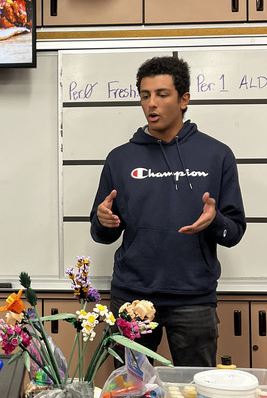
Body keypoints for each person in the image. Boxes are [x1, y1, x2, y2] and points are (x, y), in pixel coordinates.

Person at [90, 55, 246, 367]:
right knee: (129, 395)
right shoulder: (120, 158)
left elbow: (234, 232)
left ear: (184, 99)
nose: (152, 104)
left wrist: (214, 220)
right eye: (145, 96)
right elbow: (101, 234)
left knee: (192, 395)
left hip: (193, 299)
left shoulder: (216, 155)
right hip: (132, 296)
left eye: (162, 95)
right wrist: (105, 221)